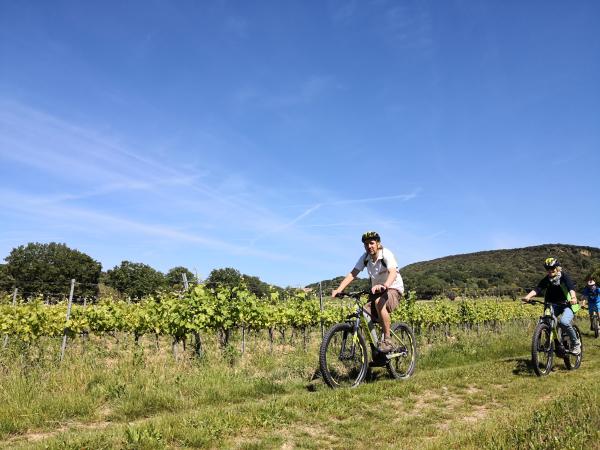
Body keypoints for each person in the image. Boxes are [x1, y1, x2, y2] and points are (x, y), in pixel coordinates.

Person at [332, 231, 405, 353]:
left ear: (378, 244)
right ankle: (377, 348)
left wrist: (385, 285)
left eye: (371, 243)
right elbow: (353, 273)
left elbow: (392, 272)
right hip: (376, 290)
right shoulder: (365, 257)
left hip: (393, 288)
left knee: (378, 302)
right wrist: (339, 290)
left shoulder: (386, 254)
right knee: (364, 312)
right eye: (366, 244)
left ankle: (387, 340)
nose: (369, 246)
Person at [522, 257, 581, 355]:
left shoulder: (564, 277)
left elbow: (571, 287)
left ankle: (576, 344)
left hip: (567, 304)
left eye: (552, 268)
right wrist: (527, 297)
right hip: (552, 304)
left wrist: (574, 298)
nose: (550, 271)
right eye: (547, 269)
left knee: (564, 322)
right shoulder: (547, 279)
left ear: (557, 268)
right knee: (547, 321)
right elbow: (537, 289)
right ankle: (551, 342)